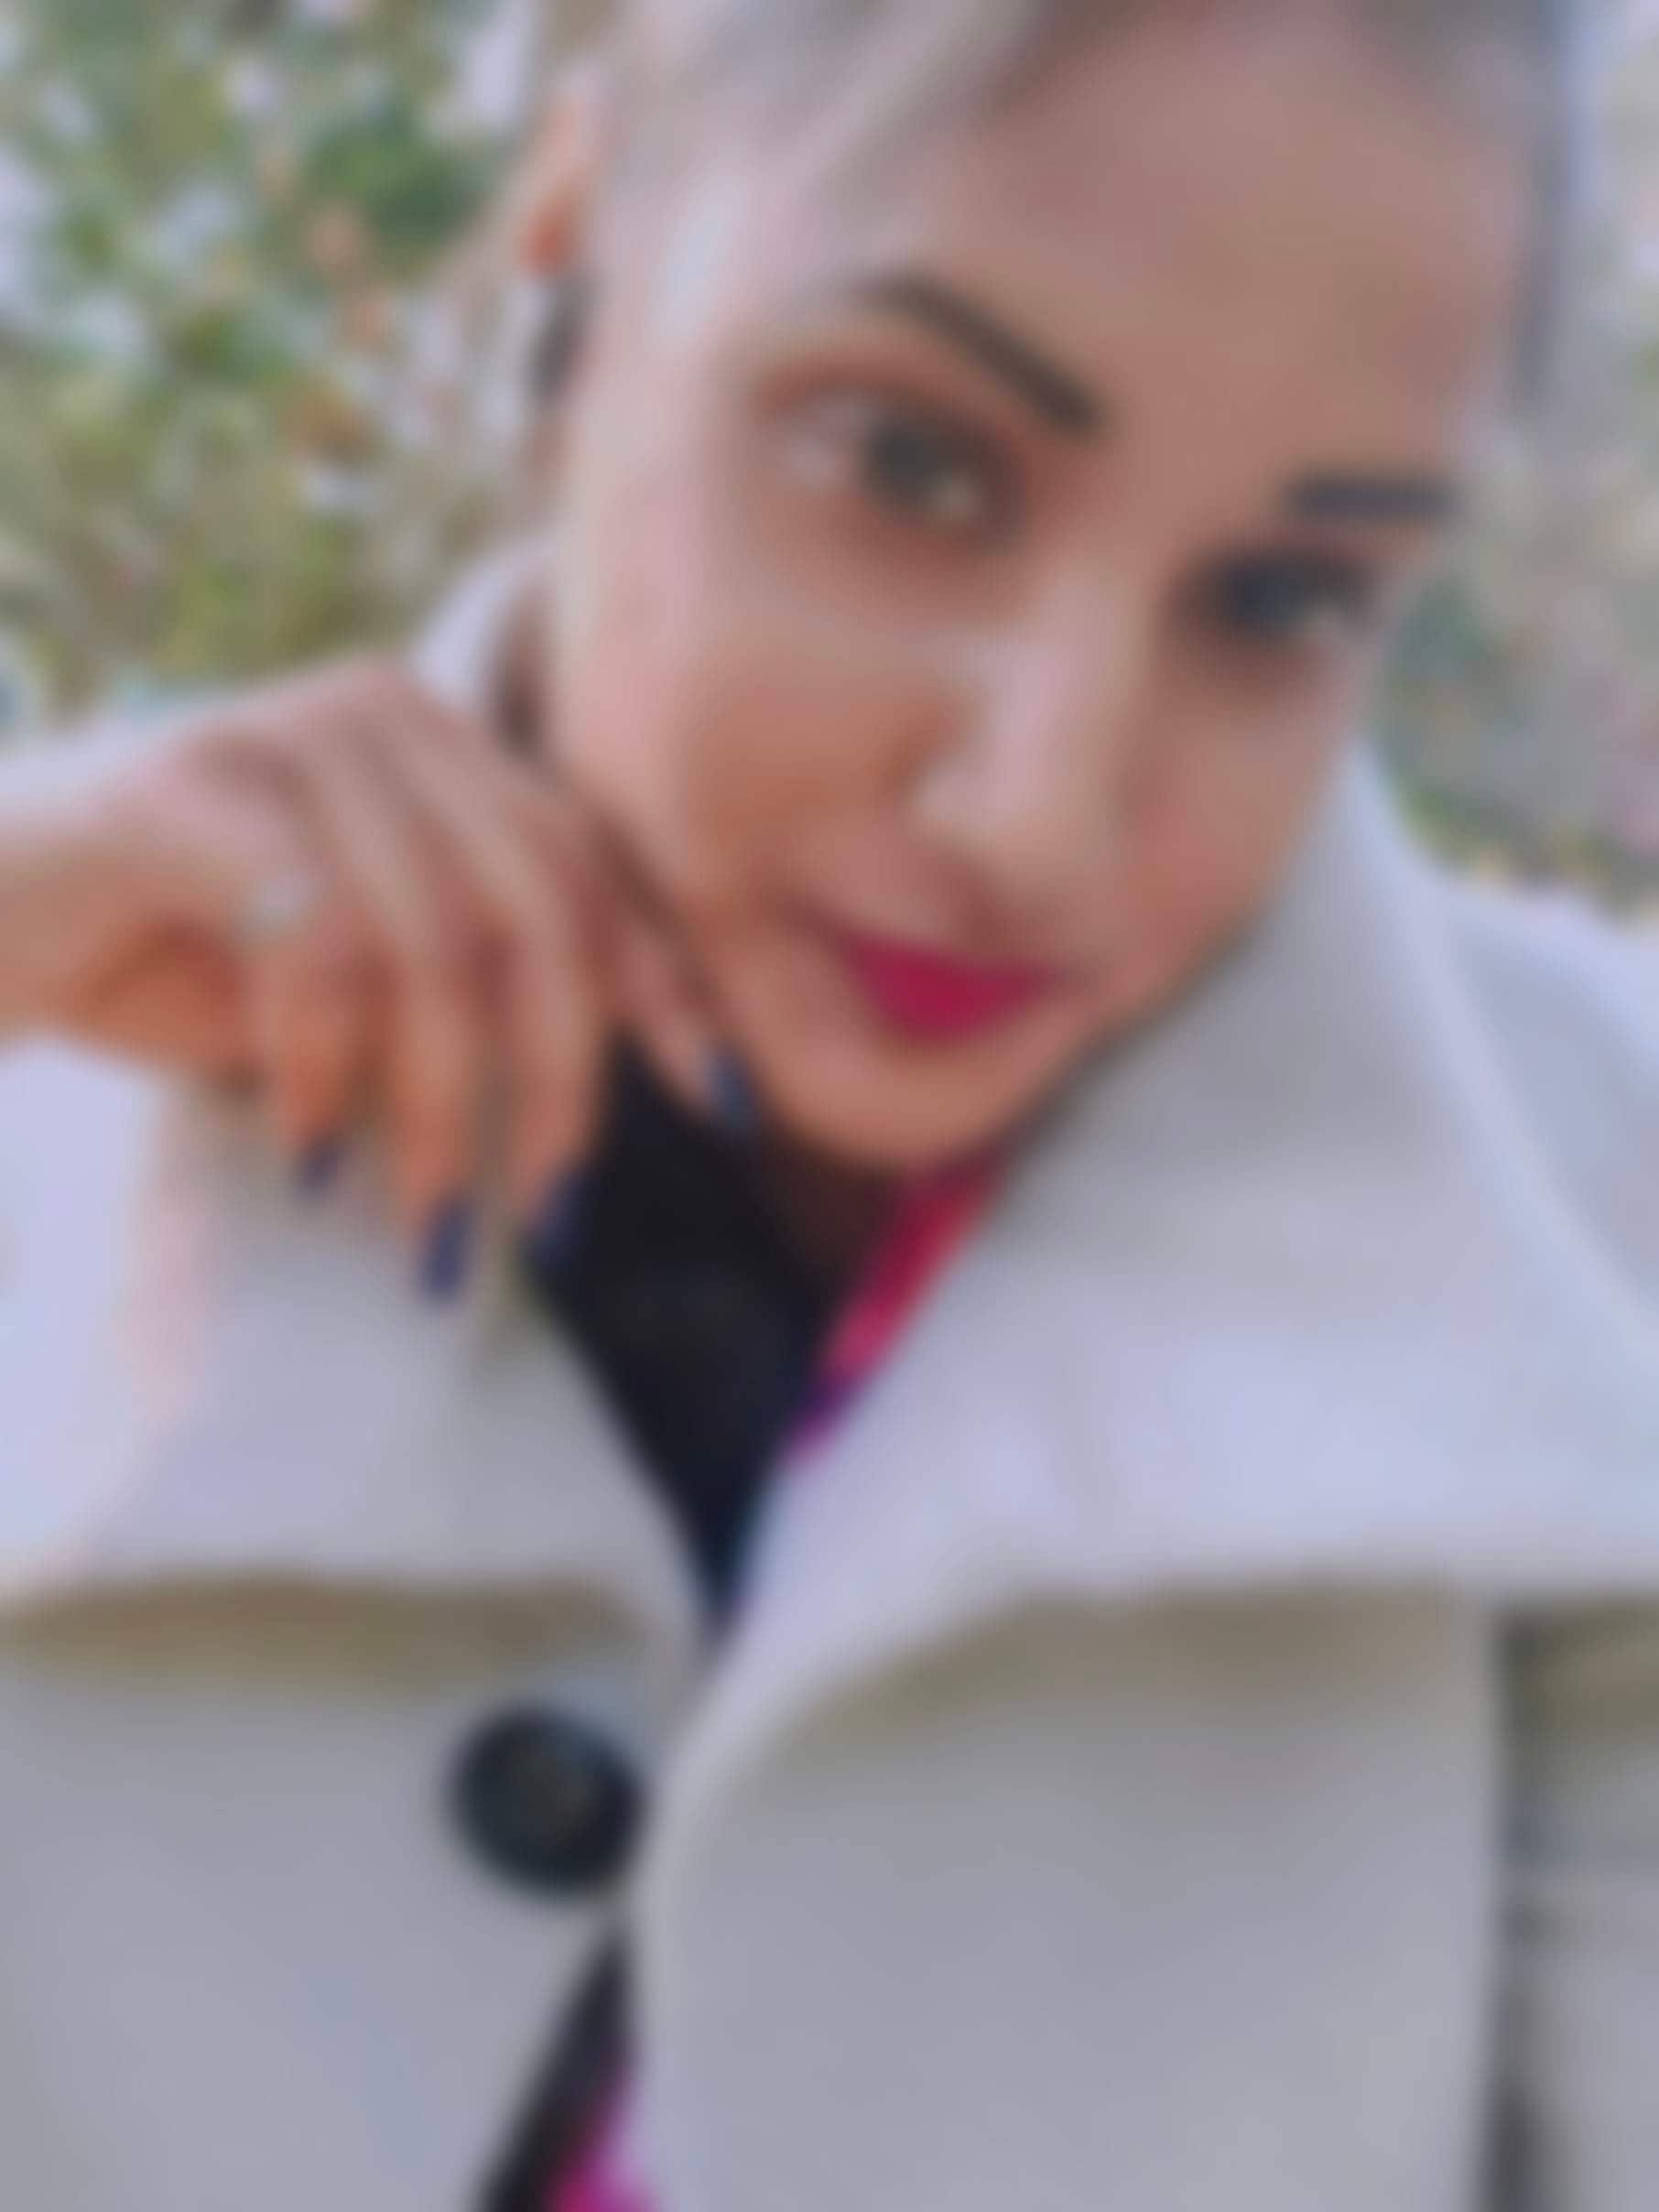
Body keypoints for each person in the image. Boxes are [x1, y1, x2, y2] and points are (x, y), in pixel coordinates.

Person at [1, 1, 1656, 2206]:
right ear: (582, 228)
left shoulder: (1596, 1258)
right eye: (906, 465)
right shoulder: (56, 1069)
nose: (1039, 815)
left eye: (1281, 600)